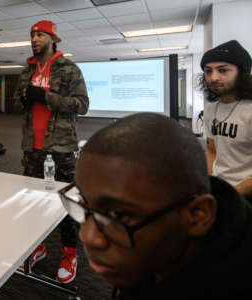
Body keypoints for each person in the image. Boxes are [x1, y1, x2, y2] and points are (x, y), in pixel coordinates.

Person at [58, 112, 252, 299]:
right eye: (83, 203)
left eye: (117, 215)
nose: (87, 236)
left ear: (198, 215)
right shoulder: (152, 258)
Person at [14, 20, 89, 283]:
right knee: (34, 200)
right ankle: (39, 246)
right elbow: (17, 101)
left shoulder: (69, 68)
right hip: (32, 146)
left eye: (40, 35)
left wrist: (44, 96)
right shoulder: (27, 69)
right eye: (32, 34)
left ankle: (69, 253)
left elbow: (82, 105)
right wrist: (24, 98)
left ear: (52, 38)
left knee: (66, 201)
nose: (34, 39)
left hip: (61, 147)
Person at [200, 40, 252, 201]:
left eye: (223, 70)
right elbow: (211, 150)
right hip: (220, 191)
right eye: (208, 71)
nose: (213, 77)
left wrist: (230, 196)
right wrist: (210, 184)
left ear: (241, 73)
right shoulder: (211, 108)